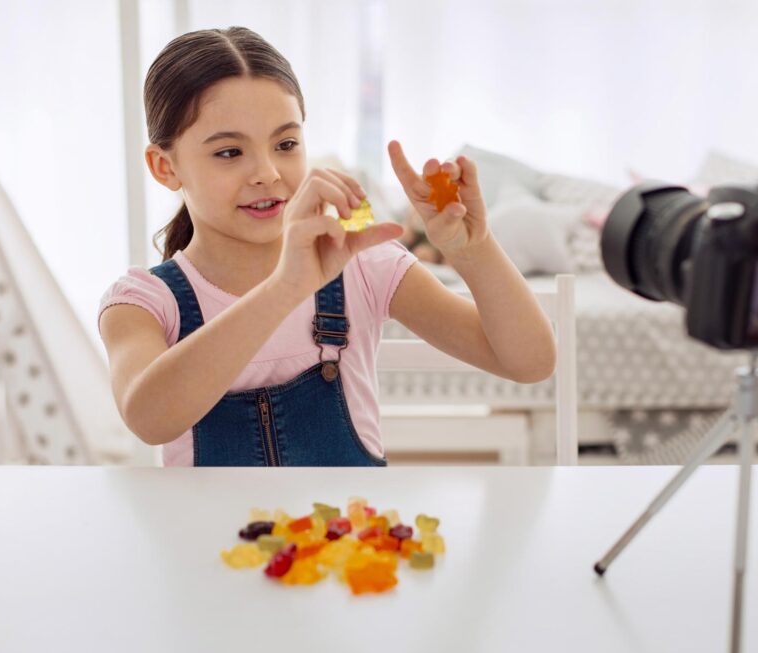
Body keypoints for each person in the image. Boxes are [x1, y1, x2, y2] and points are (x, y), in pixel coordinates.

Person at [97, 27, 556, 467]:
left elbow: (531, 362)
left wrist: (473, 250)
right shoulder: (143, 302)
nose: (267, 173)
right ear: (164, 167)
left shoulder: (363, 266)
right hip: (214, 547)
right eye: (229, 152)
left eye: (286, 143)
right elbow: (149, 418)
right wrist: (285, 287)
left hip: (348, 545)